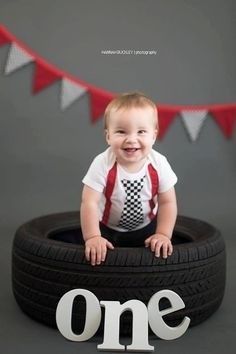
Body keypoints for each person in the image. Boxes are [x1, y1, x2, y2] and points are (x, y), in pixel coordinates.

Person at [81, 92, 178, 266]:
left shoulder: (158, 164)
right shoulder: (102, 163)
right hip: (106, 229)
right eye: (121, 131)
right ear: (108, 136)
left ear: (154, 136)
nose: (131, 139)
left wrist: (163, 234)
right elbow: (89, 202)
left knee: (148, 265)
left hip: (147, 228)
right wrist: (93, 237)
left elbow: (167, 202)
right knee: (101, 263)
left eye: (141, 131)